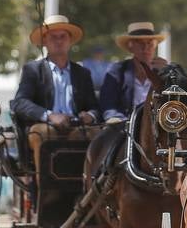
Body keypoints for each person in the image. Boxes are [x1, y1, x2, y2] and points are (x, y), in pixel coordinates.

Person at [11, 14, 99, 179]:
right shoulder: (33, 70)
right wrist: (50, 116)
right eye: (53, 37)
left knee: (95, 135)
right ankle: (44, 190)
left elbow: (94, 106)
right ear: (45, 42)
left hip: (77, 127)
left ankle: (90, 188)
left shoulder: (82, 73)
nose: (59, 41)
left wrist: (90, 115)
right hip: (44, 126)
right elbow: (20, 102)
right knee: (44, 134)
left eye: (63, 37)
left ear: (70, 41)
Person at [99, 22, 167, 122]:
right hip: (125, 129)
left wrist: (168, 76)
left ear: (155, 46)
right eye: (140, 43)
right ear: (130, 46)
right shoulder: (117, 71)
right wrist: (117, 120)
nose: (145, 48)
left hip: (158, 128)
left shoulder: (164, 71)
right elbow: (108, 104)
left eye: (150, 43)